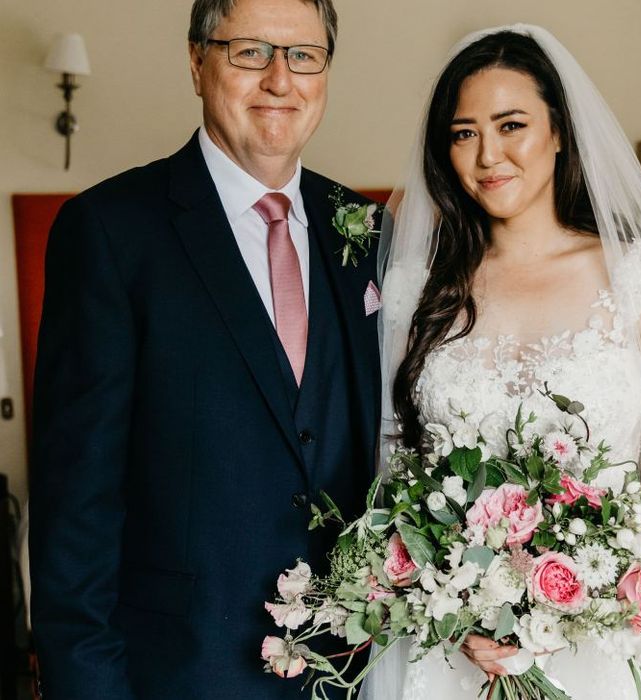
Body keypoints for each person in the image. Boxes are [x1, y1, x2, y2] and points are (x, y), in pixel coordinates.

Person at [366, 24, 641, 700]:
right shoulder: (417, 288)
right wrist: (453, 599)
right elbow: (393, 464)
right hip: (454, 647)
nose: (488, 154)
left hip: (601, 641)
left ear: (559, 131)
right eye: (464, 133)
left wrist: (577, 587)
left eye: (511, 124)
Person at [29, 1, 380, 698]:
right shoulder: (110, 231)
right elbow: (76, 513)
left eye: (304, 56)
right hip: (179, 676)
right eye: (250, 52)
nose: (281, 79)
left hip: (350, 675)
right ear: (197, 61)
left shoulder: (371, 235)